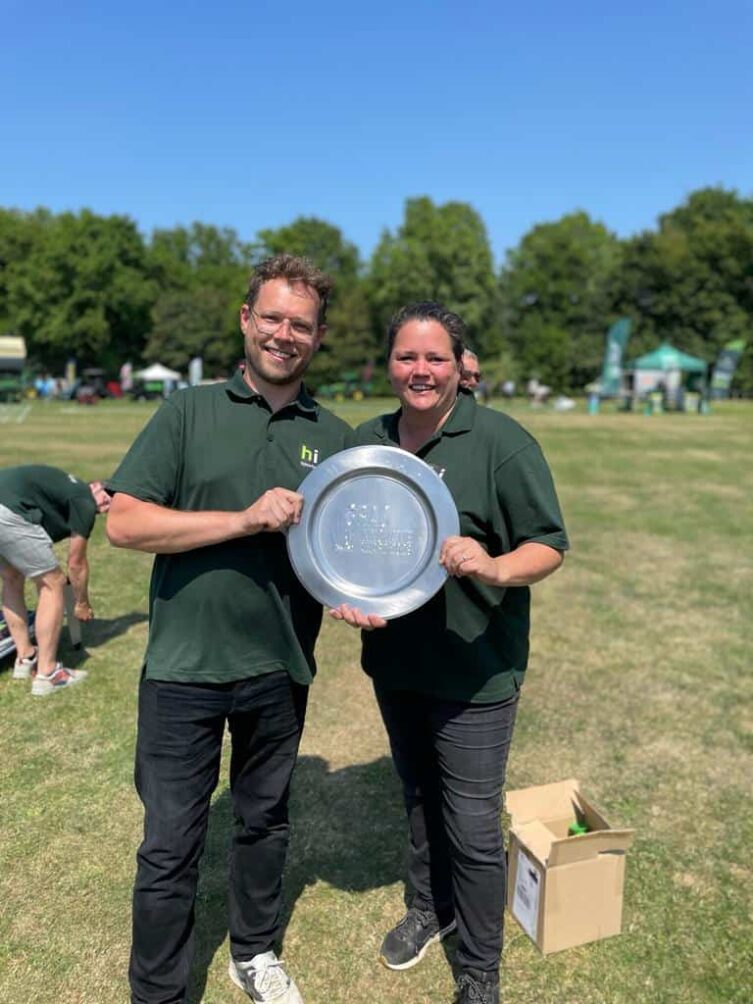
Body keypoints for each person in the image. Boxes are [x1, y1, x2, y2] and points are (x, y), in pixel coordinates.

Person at [105, 254, 351, 1004]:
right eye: (271, 318)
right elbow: (124, 522)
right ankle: (159, 992)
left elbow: (350, 551)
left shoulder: (334, 437)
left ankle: (254, 953)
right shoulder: (186, 411)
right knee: (170, 845)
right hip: (184, 667)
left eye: (300, 325)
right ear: (246, 321)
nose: (284, 334)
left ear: (316, 338)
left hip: (279, 668)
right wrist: (244, 519)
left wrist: (361, 592)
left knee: (264, 823)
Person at [330, 301, 568, 1004]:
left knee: (469, 823)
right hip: (397, 665)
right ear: (389, 364)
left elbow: (547, 546)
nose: (421, 371)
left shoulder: (500, 441)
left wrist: (491, 567)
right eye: (407, 357)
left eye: (435, 358)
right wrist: (346, 595)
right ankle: (427, 908)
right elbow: (344, 539)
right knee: (416, 797)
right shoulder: (366, 441)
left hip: (475, 668)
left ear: (459, 367)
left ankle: (479, 972)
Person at [0, 465, 110, 694]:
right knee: (54, 584)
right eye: (107, 497)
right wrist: (81, 603)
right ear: (96, 486)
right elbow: (76, 563)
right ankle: (48, 674)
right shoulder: (84, 499)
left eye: (111, 506)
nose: (105, 506)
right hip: (8, 510)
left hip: (6, 503)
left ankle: (25, 657)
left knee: (11, 577)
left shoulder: (69, 489)